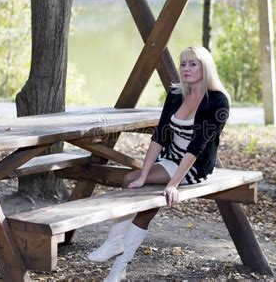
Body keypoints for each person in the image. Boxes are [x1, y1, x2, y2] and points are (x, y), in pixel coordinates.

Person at [88, 46, 231, 281]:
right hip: (171, 159)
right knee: (137, 188)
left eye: (193, 64)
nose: (186, 68)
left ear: (205, 67)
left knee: (131, 183)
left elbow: (198, 146)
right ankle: (117, 265)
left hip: (194, 166)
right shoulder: (175, 95)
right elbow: (160, 136)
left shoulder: (217, 102)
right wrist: (144, 175)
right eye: (183, 64)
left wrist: (173, 184)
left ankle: (116, 253)